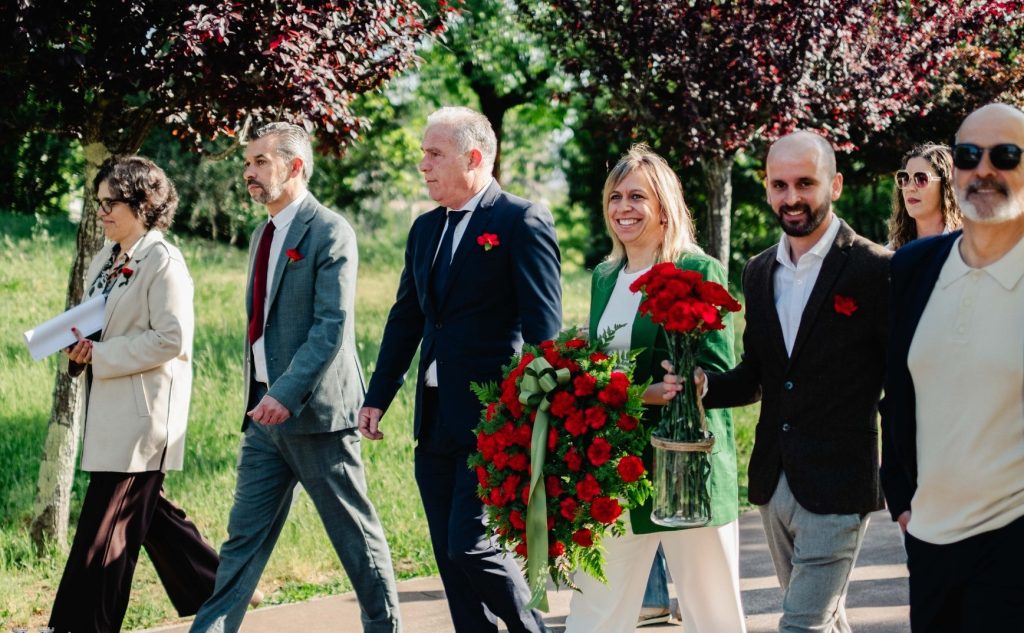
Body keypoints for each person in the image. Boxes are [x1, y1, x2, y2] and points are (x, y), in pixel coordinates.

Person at [189, 123, 400, 633]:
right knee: (242, 542)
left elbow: (331, 327)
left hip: (318, 416)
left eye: (261, 162)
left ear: (296, 166)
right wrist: (264, 394)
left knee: (354, 539)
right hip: (264, 416)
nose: (249, 172)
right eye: (247, 163)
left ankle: (385, 627)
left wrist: (285, 393)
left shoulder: (330, 230)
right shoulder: (262, 233)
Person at [359, 106, 562, 633]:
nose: (423, 165)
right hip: (433, 420)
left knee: (470, 546)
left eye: (434, 154)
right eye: (423, 154)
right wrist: (377, 397)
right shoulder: (425, 229)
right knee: (448, 560)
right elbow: (406, 320)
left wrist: (536, 415)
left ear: (473, 158)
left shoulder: (521, 221)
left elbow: (544, 333)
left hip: (493, 420)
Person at [700, 131, 891, 633]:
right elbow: (757, 376)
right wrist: (702, 387)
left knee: (801, 625)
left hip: (840, 486)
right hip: (773, 483)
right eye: (779, 185)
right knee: (825, 621)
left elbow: (902, 382)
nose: (791, 198)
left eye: (805, 183)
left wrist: (905, 476)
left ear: (836, 185)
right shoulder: (758, 271)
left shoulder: (876, 269)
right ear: (766, 187)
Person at [564, 144, 746, 633]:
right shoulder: (606, 276)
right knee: (594, 609)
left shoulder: (696, 269)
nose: (623, 208)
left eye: (637, 197)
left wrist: (684, 385)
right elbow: (604, 365)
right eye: (615, 197)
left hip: (685, 469)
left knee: (714, 616)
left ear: (664, 207)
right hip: (618, 468)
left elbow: (715, 369)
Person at [49, 156, 222, 633]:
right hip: (110, 412)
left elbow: (172, 339)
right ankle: (220, 589)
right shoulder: (105, 259)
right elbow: (99, 323)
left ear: (143, 205)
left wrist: (101, 355)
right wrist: (77, 347)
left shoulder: (163, 262)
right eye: (98, 202)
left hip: (144, 420)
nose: (101, 211)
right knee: (151, 517)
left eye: (111, 203)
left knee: (105, 532)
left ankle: (79, 626)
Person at [880, 102, 1024, 632]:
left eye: (1004, 155)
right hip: (930, 540)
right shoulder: (914, 266)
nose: (983, 169)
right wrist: (901, 498)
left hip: (1012, 542)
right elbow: (898, 391)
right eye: (968, 155)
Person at [886, 143, 962, 250]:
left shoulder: (965, 246)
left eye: (921, 179)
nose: (910, 188)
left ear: (946, 186)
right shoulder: (893, 253)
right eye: (905, 178)